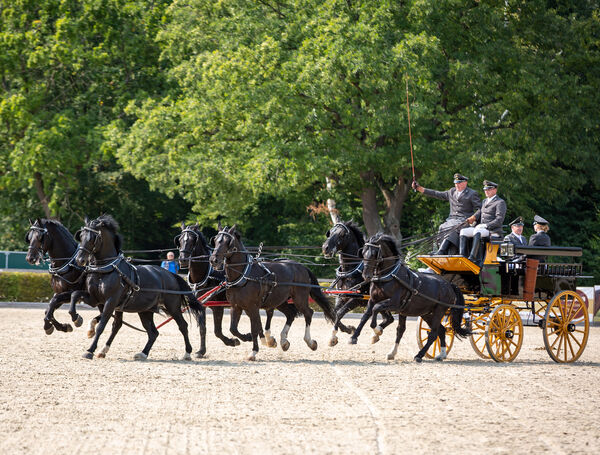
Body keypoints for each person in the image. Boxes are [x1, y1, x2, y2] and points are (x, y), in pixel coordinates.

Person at [412, 172, 481, 254]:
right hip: (451, 220)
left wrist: (474, 217)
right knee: (442, 227)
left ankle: (442, 251)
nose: (457, 185)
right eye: (455, 183)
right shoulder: (452, 191)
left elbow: (480, 208)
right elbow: (437, 194)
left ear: (465, 183)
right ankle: (441, 251)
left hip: (464, 220)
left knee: (452, 227)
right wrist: (420, 188)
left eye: (459, 183)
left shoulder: (472, 194)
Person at [459, 180, 507, 263]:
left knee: (478, 231)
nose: (486, 191)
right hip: (481, 229)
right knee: (463, 231)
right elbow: (479, 213)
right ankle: (462, 256)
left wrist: (486, 225)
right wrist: (472, 219)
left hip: (493, 230)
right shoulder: (484, 201)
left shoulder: (500, 202)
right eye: (485, 190)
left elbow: (499, 220)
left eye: (489, 189)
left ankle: (473, 257)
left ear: (495, 190)